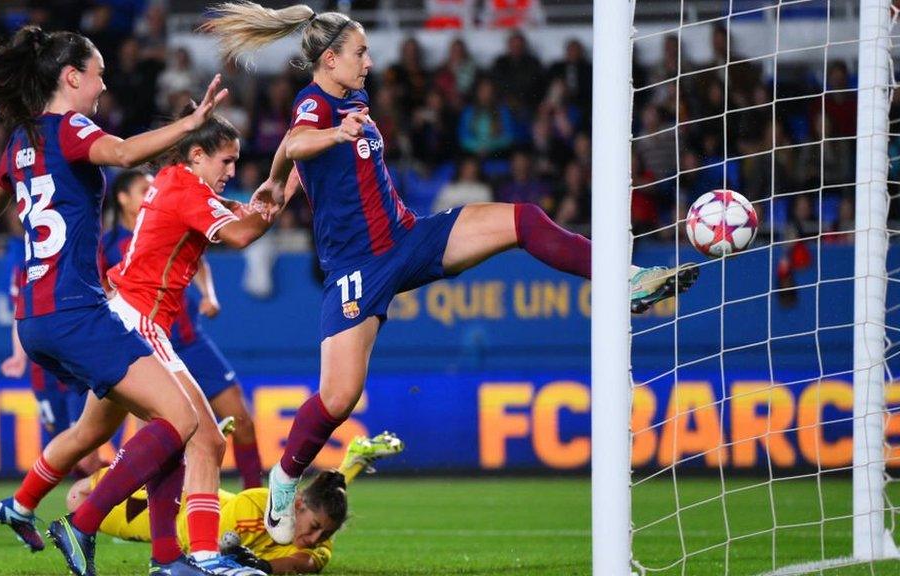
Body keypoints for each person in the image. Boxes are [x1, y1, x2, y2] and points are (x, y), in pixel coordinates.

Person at [202, 2, 700, 544]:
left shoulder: (353, 99)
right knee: (340, 397)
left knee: (522, 219)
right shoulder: (315, 102)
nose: (369, 62)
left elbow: (308, 160)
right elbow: (298, 143)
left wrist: (286, 182)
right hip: (357, 266)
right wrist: (284, 172)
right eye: (360, 52)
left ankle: (621, 280)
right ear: (329, 60)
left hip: (409, 237)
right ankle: (284, 476)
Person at [0, 25, 261, 576]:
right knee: (182, 421)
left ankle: (165, 558)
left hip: (36, 319)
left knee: (152, 424)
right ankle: (86, 522)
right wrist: (188, 124)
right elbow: (118, 152)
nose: (103, 83)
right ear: (72, 77)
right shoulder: (69, 126)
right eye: (97, 74)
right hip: (79, 312)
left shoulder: (22, 138)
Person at [102, 108, 274, 571]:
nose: (232, 172)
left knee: (200, 441)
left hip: (137, 320)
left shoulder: (177, 181)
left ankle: (186, 556)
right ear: (198, 155)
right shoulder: (185, 188)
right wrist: (274, 204)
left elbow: (231, 216)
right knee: (196, 435)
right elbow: (239, 236)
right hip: (140, 320)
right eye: (226, 161)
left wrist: (254, 205)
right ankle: (85, 520)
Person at [101, 169, 264, 490]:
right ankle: (128, 510)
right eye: (142, 188)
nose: (151, 191)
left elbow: (201, 260)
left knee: (241, 420)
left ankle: (254, 499)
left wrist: (209, 294)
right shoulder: (108, 245)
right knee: (158, 440)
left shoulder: (175, 214)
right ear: (122, 198)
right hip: (144, 343)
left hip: (189, 340)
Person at [66, 432, 405, 574]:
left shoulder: (318, 543)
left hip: (202, 506)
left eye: (324, 533)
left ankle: (355, 460)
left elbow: (302, 562)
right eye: (315, 527)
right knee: (77, 496)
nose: (315, 539)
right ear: (297, 506)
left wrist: (262, 566)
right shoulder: (256, 505)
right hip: (183, 514)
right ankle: (186, 445)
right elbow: (203, 552)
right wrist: (233, 561)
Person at [0, 212, 104, 477]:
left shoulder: (79, 255)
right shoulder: (24, 268)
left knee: (85, 453)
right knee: (67, 454)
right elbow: (19, 313)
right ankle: (90, 507)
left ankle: (101, 507)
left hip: (76, 367)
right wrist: (18, 355)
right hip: (43, 371)